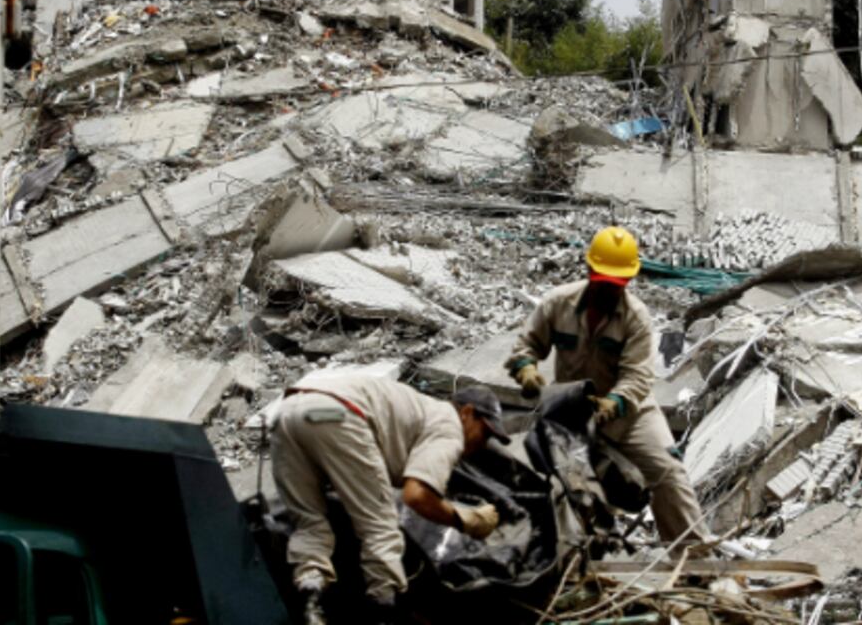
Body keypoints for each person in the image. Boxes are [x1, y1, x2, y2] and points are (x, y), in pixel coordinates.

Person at [505, 225, 710, 547]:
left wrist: (614, 401)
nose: (610, 289)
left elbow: (639, 376)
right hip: (570, 409)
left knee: (669, 474)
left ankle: (696, 561)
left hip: (630, 414)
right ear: (589, 269)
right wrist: (526, 368)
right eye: (604, 281)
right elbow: (527, 345)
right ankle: (553, 556)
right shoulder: (558, 304)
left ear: (629, 280)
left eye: (618, 283)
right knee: (546, 479)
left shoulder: (636, 317)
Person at [271, 373, 510, 623]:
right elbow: (416, 495)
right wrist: (464, 519)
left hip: (286, 412)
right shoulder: (449, 425)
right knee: (379, 525)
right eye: (485, 433)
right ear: (467, 413)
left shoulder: (419, 408)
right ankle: (384, 609)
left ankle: (312, 600)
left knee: (309, 523)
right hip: (335, 414)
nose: (483, 444)